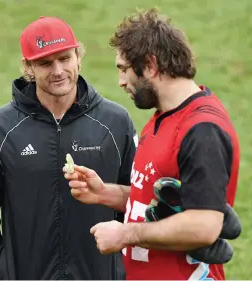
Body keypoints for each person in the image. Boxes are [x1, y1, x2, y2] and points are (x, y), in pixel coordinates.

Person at [64, 8, 240, 280]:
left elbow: (204, 225)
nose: (121, 82)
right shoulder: (162, 117)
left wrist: (126, 233)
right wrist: (104, 193)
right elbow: (150, 200)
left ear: (150, 65)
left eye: (124, 70)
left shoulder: (202, 130)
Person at [0, 16, 137, 280]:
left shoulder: (115, 122)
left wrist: (122, 270)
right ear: (28, 66)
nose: (57, 71)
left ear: (79, 55)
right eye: (45, 63)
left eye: (65, 58)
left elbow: (138, 201)